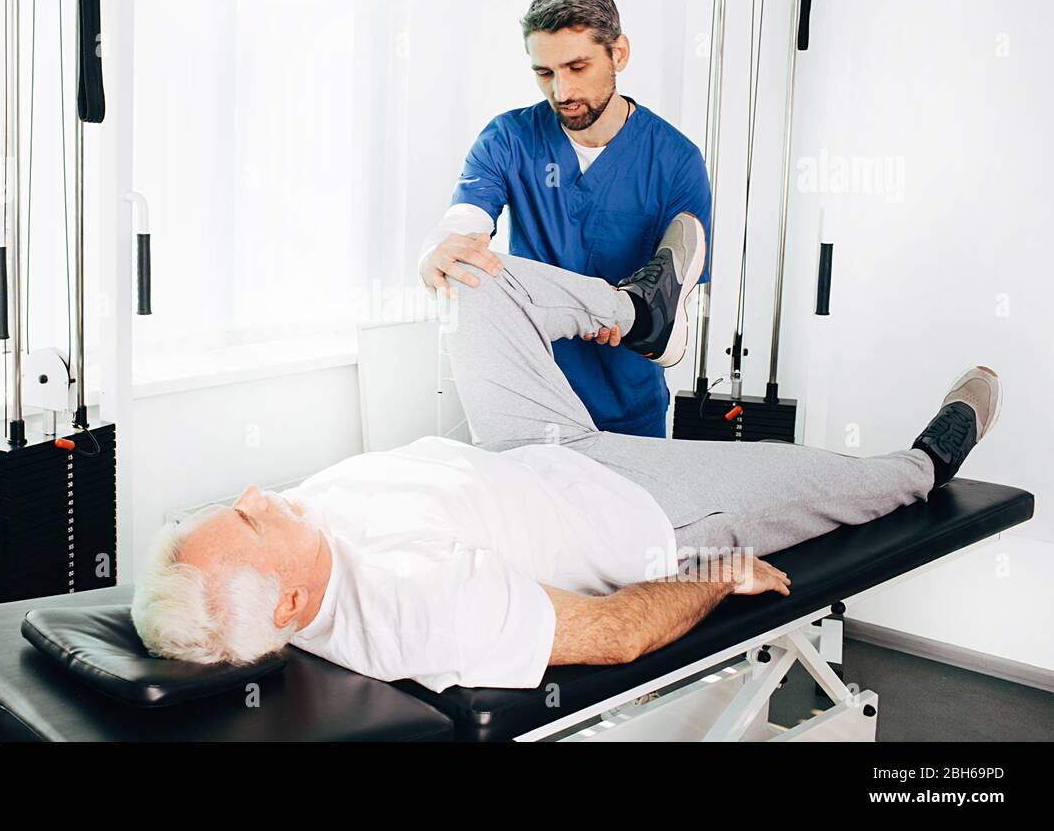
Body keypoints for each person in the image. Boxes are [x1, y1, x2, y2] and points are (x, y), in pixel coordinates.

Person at [133, 214, 1002, 692]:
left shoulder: (297, 540)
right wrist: (709, 575)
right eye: (247, 514)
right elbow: (613, 637)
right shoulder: (416, 607)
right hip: (643, 506)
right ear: (289, 600)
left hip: (526, 448)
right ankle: (926, 462)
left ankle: (642, 312)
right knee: (845, 480)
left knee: (472, 276)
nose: (254, 490)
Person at [418, 0, 713, 438]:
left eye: (577, 67)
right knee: (465, 268)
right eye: (545, 73)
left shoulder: (675, 160)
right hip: (534, 399)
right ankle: (626, 307)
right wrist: (438, 249)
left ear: (619, 53)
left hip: (628, 406)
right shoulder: (509, 139)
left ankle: (633, 314)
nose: (560, 91)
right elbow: (467, 221)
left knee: (632, 512)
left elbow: (688, 285)